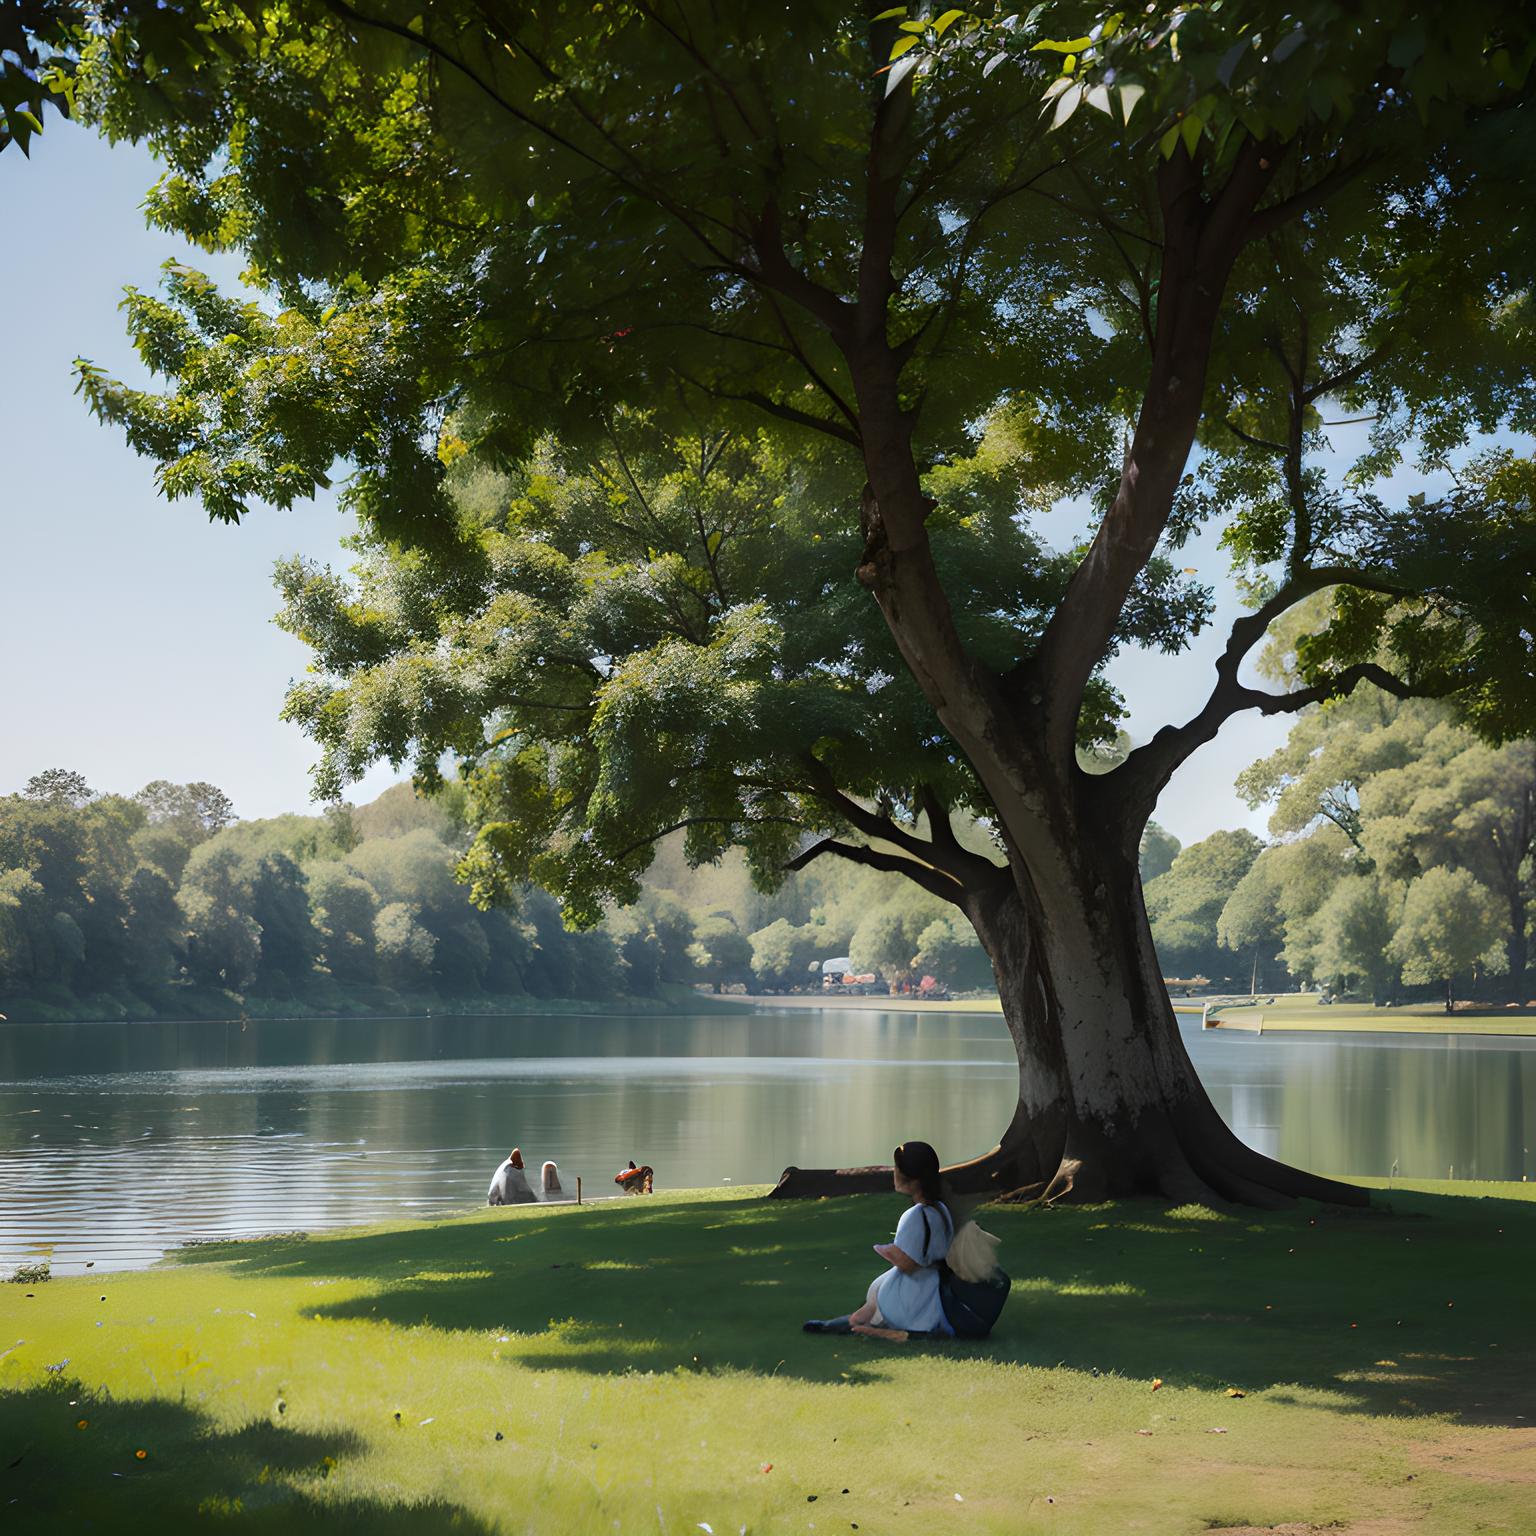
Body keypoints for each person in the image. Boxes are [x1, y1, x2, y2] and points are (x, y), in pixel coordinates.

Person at [803, 1140, 954, 1342]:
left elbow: (908, 1264)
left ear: (908, 1177)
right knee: (872, 1301)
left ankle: (856, 1327)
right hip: (932, 1286)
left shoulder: (916, 1216)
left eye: (897, 1168)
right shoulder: (940, 1210)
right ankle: (844, 1324)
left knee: (876, 1304)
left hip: (917, 1292)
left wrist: (886, 1250)